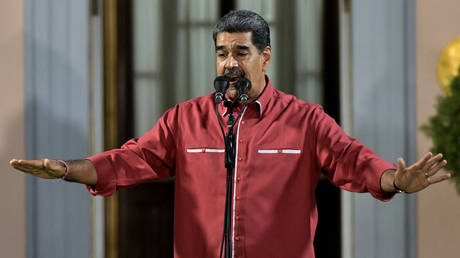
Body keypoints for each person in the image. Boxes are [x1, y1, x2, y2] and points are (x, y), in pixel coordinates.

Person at [10, 10, 451, 258]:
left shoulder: (305, 119)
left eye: (241, 51)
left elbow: (352, 160)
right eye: (221, 53)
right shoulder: (185, 119)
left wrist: (395, 180)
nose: (229, 63)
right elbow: (131, 159)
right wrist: (69, 169)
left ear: (266, 57)